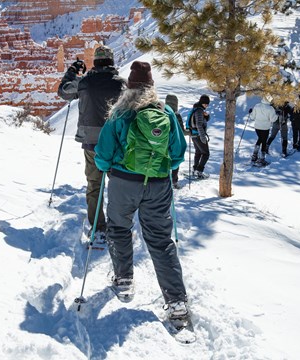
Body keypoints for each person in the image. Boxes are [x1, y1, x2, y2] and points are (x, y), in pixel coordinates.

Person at [94, 60, 190, 322]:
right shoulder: (166, 112)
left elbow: (102, 155)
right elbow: (178, 154)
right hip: (158, 185)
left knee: (119, 228)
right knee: (160, 240)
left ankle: (124, 280)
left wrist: (108, 167)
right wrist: (161, 168)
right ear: (151, 87)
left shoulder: (119, 113)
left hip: (124, 182)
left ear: (129, 88)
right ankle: (176, 302)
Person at [57, 45, 126, 240]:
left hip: (91, 143)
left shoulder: (84, 83)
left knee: (94, 185)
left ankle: (98, 226)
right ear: (111, 62)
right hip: (116, 144)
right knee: (117, 185)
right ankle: (118, 225)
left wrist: (72, 71)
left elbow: (63, 92)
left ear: (94, 62)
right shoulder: (122, 84)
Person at [165, 93, 187, 189]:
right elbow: (181, 130)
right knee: (175, 161)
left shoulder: (162, 111)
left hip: (163, 141)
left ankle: (164, 179)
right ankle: (174, 181)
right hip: (175, 142)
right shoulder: (176, 115)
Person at [186, 94, 211, 179]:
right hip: (198, 135)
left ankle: (195, 170)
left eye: (207, 104)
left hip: (194, 134)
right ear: (201, 102)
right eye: (205, 103)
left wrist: (207, 116)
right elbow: (199, 124)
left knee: (199, 152)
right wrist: (203, 137)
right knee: (206, 153)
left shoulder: (196, 109)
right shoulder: (199, 111)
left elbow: (203, 120)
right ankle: (199, 171)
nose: (206, 105)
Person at [249, 97, 277, 166]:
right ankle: (262, 159)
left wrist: (250, 112)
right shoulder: (270, 108)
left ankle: (254, 156)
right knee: (263, 141)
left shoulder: (257, 106)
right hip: (265, 128)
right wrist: (277, 115)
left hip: (257, 127)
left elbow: (252, 117)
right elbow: (273, 119)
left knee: (260, 139)